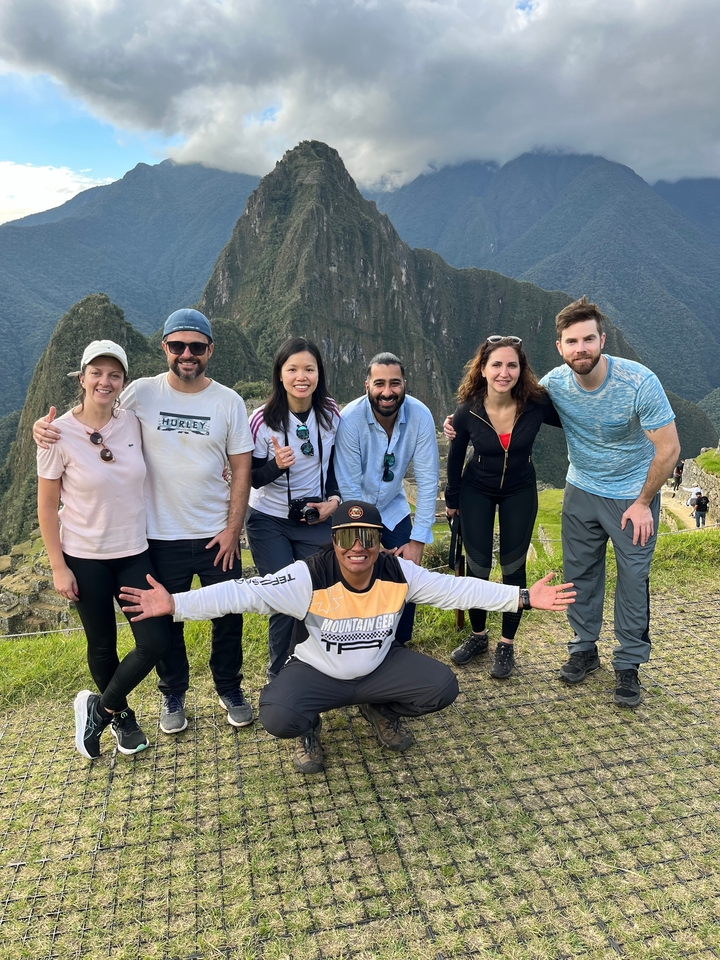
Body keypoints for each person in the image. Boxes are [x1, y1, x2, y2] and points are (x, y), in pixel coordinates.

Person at [119, 501, 576, 775]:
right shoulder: (307, 577)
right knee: (278, 715)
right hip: (318, 671)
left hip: (378, 669)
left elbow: (458, 588)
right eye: (347, 537)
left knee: (442, 687)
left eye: (368, 538)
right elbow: (243, 593)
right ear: (333, 541)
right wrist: (175, 604)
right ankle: (311, 727)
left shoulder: (400, 573)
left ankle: (379, 708)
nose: (358, 547)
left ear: (380, 542)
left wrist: (523, 597)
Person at [33, 309, 254, 734]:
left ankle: (230, 687)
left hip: (216, 534)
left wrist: (232, 529)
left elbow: (241, 468)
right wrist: (41, 432)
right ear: (164, 348)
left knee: (229, 616)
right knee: (164, 625)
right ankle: (173, 693)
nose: (186, 354)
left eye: (196, 347)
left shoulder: (228, 401)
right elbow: (86, 419)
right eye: (177, 346)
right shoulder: (140, 394)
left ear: (210, 350)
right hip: (158, 537)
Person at [540, 297, 680, 708]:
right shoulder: (555, 384)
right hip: (580, 489)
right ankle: (583, 648)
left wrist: (643, 502)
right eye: (571, 342)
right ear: (560, 347)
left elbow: (669, 449)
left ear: (602, 339)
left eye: (588, 339)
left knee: (633, 582)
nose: (580, 348)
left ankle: (629, 666)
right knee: (579, 574)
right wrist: (455, 424)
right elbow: (504, 402)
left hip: (631, 497)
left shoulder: (638, 381)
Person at [36, 340, 171, 760]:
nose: (105, 381)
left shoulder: (132, 422)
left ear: (123, 383)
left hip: (133, 551)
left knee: (155, 641)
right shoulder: (57, 434)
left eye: (114, 375)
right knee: (102, 646)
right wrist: (59, 567)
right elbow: (45, 505)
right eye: (96, 373)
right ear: (82, 378)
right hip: (84, 556)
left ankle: (100, 708)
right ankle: (123, 718)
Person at [444, 335, 562, 679]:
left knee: (513, 568)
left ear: (521, 369)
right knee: (478, 567)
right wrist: (452, 500)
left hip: (520, 490)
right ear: (482, 369)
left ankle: (507, 643)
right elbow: (455, 456)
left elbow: (578, 416)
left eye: (512, 365)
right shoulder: (468, 411)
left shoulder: (536, 404)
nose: (503, 372)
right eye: (496, 364)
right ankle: (479, 636)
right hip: (476, 488)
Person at [246, 337, 342, 678]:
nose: (302, 377)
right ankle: (279, 676)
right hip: (268, 519)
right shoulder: (261, 420)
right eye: (293, 369)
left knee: (320, 596)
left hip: (314, 517)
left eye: (309, 369)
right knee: (286, 598)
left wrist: (333, 502)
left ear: (319, 374)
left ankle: (317, 668)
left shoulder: (331, 413)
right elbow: (251, 479)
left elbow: (334, 469)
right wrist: (275, 466)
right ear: (280, 374)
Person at [333, 353, 440, 643]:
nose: (387, 392)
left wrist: (418, 541)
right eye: (379, 383)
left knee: (407, 575)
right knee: (357, 572)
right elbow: (350, 489)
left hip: (393, 507)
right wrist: (372, 542)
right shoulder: (351, 420)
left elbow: (429, 480)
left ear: (404, 383)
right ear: (367, 385)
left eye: (395, 383)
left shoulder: (419, 416)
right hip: (356, 510)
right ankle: (359, 643)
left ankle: (398, 644)